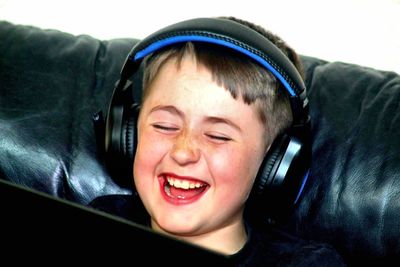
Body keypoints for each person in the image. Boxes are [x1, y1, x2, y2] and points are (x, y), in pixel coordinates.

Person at [89, 16, 346, 266]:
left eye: (217, 136)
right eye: (164, 126)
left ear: (273, 163)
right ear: (126, 134)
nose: (183, 151)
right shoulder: (100, 219)